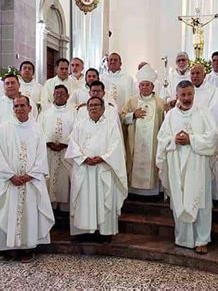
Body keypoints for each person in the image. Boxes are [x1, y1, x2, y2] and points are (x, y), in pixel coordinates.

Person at [0, 96, 55, 262]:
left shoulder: (37, 129)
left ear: (30, 108)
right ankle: (8, 248)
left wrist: (30, 175)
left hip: (31, 181)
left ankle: (27, 248)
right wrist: (10, 175)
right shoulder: (4, 128)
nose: (19, 109)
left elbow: (42, 156)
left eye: (22, 105)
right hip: (9, 181)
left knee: (29, 213)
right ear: (13, 109)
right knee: (7, 211)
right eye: (16, 106)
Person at [156, 80, 218, 254]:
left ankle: (202, 239)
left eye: (189, 94)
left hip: (197, 165)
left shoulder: (203, 113)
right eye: (183, 95)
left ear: (194, 94)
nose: (186, 98)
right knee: (180, 199)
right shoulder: (171, 115)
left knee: (200, 201)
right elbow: (162, 139)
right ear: (177, 96)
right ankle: (183, 238)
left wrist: (191, 140)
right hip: (177, 165)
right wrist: (173, 140)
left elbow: (214, 138)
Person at [65, 96, 127, 240]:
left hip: (103, 169)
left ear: (103, 108)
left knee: (103, 200)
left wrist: (102, 158)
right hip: (84, 170)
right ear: (87, 108)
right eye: (90, 105)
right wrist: (83, 158)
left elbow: (116, 146)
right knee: (84, 201)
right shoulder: (80, 125)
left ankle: (104, 233)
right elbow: (72, 145)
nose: (93, 108)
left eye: (96, 105)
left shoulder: (110, 125)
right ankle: (83, 231)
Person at [121, 64, 165, 196]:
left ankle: (152, 191)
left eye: (147, 85)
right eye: (142, 85)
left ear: (152, 87)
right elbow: (122, 118)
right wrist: (133, 115)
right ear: (138, 86)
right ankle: (134, 190)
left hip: (153, 142)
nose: (144, 87)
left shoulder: (159, 102)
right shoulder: (132, 101)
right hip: (135, 141)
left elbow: (164, 122)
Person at [38, 85, 75, 211]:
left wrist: (64, 143)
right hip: (48, 152)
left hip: (66, 152)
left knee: (64, 182)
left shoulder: (73, 112)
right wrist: (48, 142)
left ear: (67, 96)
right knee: (49, 181)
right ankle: (50, 210)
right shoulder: (45, 112)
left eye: (62, 93)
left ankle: (64, 210)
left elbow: (78, 130)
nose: (59, 95)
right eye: (56, 93)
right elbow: (38, 130)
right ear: (53, 95)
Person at [190, 64, 218, 200]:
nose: (195, 76)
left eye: (198, 73)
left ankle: (208, 198)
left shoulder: (212, 91)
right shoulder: (187, 90)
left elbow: (214, 114)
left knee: (205, 169)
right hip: (189, 136)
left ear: (205, 75)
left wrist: (203, 131)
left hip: (204, 136)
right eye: (192, 73)